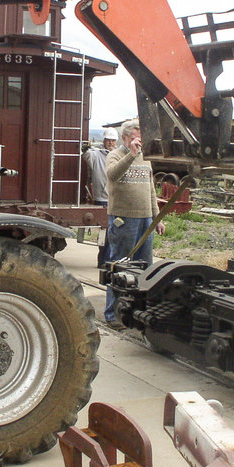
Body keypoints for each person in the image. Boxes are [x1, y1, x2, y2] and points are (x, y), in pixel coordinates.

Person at [102, 119, 164, 330]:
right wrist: (131, 155)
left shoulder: (146, 159)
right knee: (120, 266)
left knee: (145, 268)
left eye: (141, 138)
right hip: (124, 219)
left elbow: (151, 189)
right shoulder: (116, 155)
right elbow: (112, 174)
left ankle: (138, 313)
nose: (139, 142)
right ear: (125, 138)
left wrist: (157, 218)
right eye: (136, 138)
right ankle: (112, 315)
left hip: (146, 219)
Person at [84, 127, 117, 267]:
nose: (110, 142)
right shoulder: (96, 155)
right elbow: (87, 156)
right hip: (102, 199)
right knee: (105, 232)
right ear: (104, 140)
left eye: (113, 140)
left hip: (115, 199)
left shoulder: (118, 155)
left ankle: (107, 261)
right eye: (108, 140)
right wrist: (84, 149)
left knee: (114, 232)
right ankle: (104, 261)